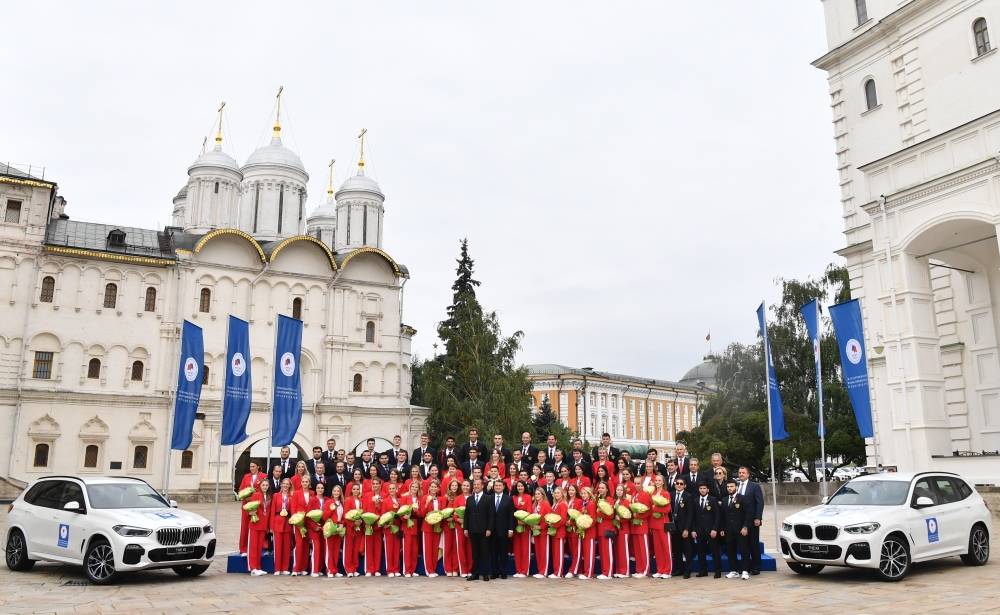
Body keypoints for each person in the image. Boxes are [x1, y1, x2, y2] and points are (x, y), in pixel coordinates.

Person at [464, 478, 495, 582]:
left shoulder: (488, 498)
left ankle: (485, 574)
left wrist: (489, 529)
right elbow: (466, 515)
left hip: (484, 530)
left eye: (478, 484)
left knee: (484, 553)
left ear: (482, 486)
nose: (476, 486)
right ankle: (475, 573)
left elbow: (491, 515)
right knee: (475, 553)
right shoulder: (470, 499)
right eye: (475, 485)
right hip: (472, 529)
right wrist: (465, 528)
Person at [291, 474, 321, 577]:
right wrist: (297, 521)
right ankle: (296, 568)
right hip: (299, 522)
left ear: (309, 483)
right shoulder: (296, 493)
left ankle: (303, 568)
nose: (305, 483)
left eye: (306, 482)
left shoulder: (312, 493)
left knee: (306, 546)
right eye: (303, 482)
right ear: (301, 483)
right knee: (299, 545)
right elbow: (293, 508)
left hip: (309, 522)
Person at [736, 466, 764, 575]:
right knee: (743, 546)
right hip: (740, 520)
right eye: (740, 472)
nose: (741, 474)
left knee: (753, 544)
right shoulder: (736, 486)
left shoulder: (754, 486)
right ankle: (745, 568)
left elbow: (759, 502)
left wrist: (758, 517)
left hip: (752, 520)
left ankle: (756, 567)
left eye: (743, 473)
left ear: (748, 474)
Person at [692, 481, 722, 578]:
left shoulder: (713, 500)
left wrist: (715, 529)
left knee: (715, 551)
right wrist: (693, 530)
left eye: (704, 488)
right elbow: (693, 517)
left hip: (711, 530)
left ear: (708, 490)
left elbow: (717, 516)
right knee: (701, 552)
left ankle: (717, 571)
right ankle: (703, 570)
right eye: (701, 488)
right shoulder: (695, 501)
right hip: (700, 530)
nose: (702, 490)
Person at [722, 478, 751, 580]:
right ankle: (733, 570)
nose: (730, 488)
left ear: (736, 487)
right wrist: (722, 529)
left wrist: (745, 527)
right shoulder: (724, 500)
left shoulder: (743, 498)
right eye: (728, 487)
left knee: (744, 550)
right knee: (730, 551)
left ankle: (745, 570)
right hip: (729, 531)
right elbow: (722, 516)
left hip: (740, 530)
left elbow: (748, 514)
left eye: (732, 486)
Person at [237, 461, 266, 557]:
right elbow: (240, 489)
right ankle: (243, 549)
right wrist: (246, 497)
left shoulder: (263, 476)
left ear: (258, 466)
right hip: (246, 505)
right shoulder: (246, 476)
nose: (252, 468)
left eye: (253, 466)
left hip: (258, 505)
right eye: (250, 467)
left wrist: (254, 497)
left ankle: (256, 548)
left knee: (256, 526)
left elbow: (265, 489)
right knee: (244, 527)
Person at [489, 477, 515, 579]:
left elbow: (511, 515)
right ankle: (495, 572)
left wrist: (511, 529)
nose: (498, 487)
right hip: (492, 530)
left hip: (504, 530)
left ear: (503, 487)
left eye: (500, 485)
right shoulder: (489, 498)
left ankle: (504, 572)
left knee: (504, 552)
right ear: (493, 487)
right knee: (493, 552)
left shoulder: (508, 499)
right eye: (496, 485)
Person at [648, 474, 673, 579]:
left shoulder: (666, 494)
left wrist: (656, 508)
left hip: (663, 524)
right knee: (657, 549)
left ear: (663, 482)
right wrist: (650, 525)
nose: (657, 482)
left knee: (666, 548)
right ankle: (660, 569)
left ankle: (667, 571)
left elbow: (667, 509)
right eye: (656, 480)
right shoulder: (652, 493)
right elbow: (650, 510)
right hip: (655, 525)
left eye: (659, 480)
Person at [247, 477, 272, 576]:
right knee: (253, 547)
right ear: (260, 486)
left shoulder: (269, 497)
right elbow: (250, 507)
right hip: (255, 523)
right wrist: (250, 513)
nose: (265, 487)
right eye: (263, 485)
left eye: (266, 485)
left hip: (263, 525)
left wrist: (268, 526)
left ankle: (258, 567)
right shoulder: (256, 495)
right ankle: (252, 568)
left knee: (259, 547)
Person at [418, 479, 443, 577]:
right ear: (429, 488)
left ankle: (433, 569)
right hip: (427, 527)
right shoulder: (425, 498)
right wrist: (426, 504)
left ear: (438, 488)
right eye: (432, 487)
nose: (433, 488)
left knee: (435, 549)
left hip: (437, 527)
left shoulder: (440, 499)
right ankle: (428, 570)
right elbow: (421, 514)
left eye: (435, 487)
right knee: (428, 549)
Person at [671, 477, 694, 579]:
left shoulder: (688, 496)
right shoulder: (671, 495)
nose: (679, 485)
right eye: (677, 483)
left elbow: (690, 514)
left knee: (687, 549)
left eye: (681, 484)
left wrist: (687, 529)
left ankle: (688, 570)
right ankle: (679, 569)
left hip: (684, 527)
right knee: (677, 549)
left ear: (685, 486)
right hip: (674, 526)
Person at [630, 474, 653, 578]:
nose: (636, 485)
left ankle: (645, 570)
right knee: (637, 550)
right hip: (634, 525)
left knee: (643, 549)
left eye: (638, 483)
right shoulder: (633, 494)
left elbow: (648, 511)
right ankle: (639, 570)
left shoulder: (644, 495)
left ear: (642, 483)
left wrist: (638, 515)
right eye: (635, 483)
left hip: (642, 525)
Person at [442, 479, 466, 576]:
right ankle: (448, 569)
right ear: (449, 487)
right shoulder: (445, 497)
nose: (454, 487)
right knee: (448, 547)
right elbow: (442, 511)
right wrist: (447, 518)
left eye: (456, 485)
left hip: (457, 525)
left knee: (456, 547)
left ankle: (455, 568)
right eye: (453, 485)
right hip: (447, 525)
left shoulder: (460, 497)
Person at [270, 478, 293, 576]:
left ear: (290, 485)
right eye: (284, 483)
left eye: (287, 484)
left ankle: (285, 568)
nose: (285, 485)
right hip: (278, 521)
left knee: (287, 547)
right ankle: (277, 568)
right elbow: (272, 511)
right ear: (281, 484)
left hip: (287, 522)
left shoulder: (291, 496)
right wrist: (271, 526)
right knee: (278, 547)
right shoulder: (276, 495)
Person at [362, 476, 384, 576]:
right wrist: (366, 522)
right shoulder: (367, 495)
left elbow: (384, 510)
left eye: (377, 484)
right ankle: (369, 569)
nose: (375, 485)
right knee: (369, 547)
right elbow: (364, 508)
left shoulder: (384, 495)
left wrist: (378, 506)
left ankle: (377, 569)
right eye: (373, 484)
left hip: (378, 524)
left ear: (380, 485)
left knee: (378, 547)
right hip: (369, 524)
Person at [399, 481, 422, 577]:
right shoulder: (405, 498)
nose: (414, 488)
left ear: (418, 489)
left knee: (414, 549)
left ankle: (412, 569)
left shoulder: (419, 499)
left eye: (416, 487)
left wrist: (416, 511)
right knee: (407, 549)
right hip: (407, 525)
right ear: (410, 487)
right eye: (413, 487)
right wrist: (404, 517)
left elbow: (421, 513)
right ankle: (407, 570)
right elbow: (400, 512)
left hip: (416, 525)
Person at [511, 481, 533, 578]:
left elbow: (529, 511)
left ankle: (524, 571)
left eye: (521, 486)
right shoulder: (513, 497)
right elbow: (511, 511)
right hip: (516, 525)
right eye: (518, 486)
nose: (520, 488)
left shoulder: (528, 497)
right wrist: (516, 520)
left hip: (525, 526)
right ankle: (518, 570)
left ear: (525, 487)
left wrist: (524, 521)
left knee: (525, 549)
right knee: (517, 549)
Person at [322, 484, 345, 578]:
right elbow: (324, 517)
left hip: (338, 528)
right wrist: (332, 509)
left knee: (336, 550)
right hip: (330, 528)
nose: (336, 493)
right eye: (334, 491)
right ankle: (329, 570)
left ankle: (335, 570)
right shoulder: (328, 502)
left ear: (340, 493)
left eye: (338, 491)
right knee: (329, 550)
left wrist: (342, 524)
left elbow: (343, 517)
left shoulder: (342, 503)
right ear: (332, 492)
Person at [594, 481, 616, 580]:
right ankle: (604, 571)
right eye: (599, 488)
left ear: (607, 489)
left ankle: (608, 572)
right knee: (602, 552)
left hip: (607, 527)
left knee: (607, 551)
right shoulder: (598, 499)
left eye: (603, 488)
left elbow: (611, 515)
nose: (600, 489)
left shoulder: (609, 499)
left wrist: (599, 513)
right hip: (600, 527)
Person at [530, 484, 552, 578]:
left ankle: (544, 571)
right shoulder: (534, 505)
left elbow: (549, 519)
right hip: (536, 532)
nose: (537, 495)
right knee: (538, 552)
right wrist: (532, 525)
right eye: (535, 494)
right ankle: (540, 571)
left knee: (544, 552)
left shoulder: (546, 505)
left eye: (539, 494)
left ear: (543, 495)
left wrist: (541, 527)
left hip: (543, 532)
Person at [343, 483, 365, 577]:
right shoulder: (348, 501)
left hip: (359, 528)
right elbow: (345, 515)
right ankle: (349, 569)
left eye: (357, 489)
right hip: (350, 528)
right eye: (354, 489)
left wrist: (360, 522)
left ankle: (355, 568)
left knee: (356, 549)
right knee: (349, 549)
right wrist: (353, 524)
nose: (356, 491)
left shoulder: (361, 501)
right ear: (351, 490)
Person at [382, 482, 403, 577]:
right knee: (389, 549)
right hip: (389, 527)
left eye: (393, 488)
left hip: (397, 527)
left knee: (397, 549)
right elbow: (383, 514)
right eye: (390, 489)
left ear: (397, 489)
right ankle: (390, 570)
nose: (391, 490)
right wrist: (386, 524)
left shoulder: (400, 500)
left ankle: (396, 569)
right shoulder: (385, 501)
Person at [577, 486, 598, 579]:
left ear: (589, 494)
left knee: (589, 553)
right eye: (582, 493)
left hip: (590, 532)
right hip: (584, 532)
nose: (583, 495)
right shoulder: (584, 504)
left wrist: (585, 525)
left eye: (585, 493)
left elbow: (593, 519)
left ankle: (589, 573)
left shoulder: (591, 504)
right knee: (585, 553)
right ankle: (586, 572)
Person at [547, 486, 569, 579]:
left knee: (559, 553)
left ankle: (559, 572)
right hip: (555, 532)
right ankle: (556, 571)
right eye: (555, 493)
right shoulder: (555, 504)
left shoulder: (563, 505)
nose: (556, 494)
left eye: (558, 493)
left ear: (562, 494)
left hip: (559, 532)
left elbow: (563, 520)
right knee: (555, 553)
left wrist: (554, 525)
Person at [612, 483, 632, 578]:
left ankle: (625, 571)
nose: (619, 492)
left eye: (621, 490)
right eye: (618, 490)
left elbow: (628, 516)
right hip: (616, 529)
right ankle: (619, 570)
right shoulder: (614, 501)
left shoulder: (626, 501)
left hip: (623, 529)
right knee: (617, 550)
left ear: (623, 491)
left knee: (623, 550)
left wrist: (620, 519)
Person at [563, 484, 583, 577]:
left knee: (576, 551)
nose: (570, 492)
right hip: (568, 529)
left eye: (572, 490)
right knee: (572, 551)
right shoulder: (566, 501)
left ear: (576, 491)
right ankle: (579, 570)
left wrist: (571, 522)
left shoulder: (579, 501)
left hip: (575, 529)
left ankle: (573, 570)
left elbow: (580, 515)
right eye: (569, 490)